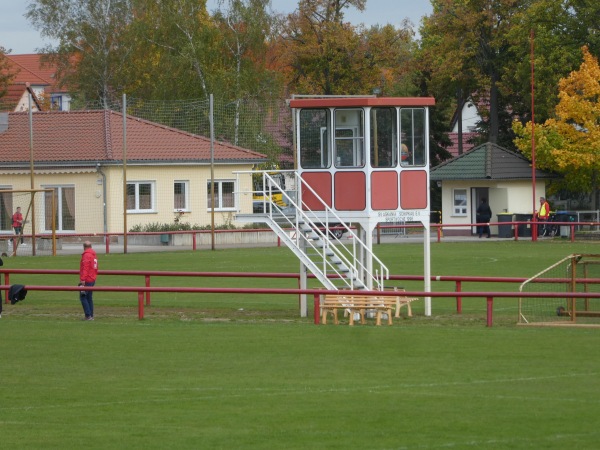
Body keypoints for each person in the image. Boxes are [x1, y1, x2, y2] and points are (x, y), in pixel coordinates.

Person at [79, 241, 98, 321]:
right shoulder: (94, 255)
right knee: (89, 297)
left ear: (84, 247)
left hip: (87, 279)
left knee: (83, 297)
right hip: (92, 278)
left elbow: (85, 268)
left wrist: (83, 279)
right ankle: (91, 315)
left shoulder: (86, 255)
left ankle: (88, 315)